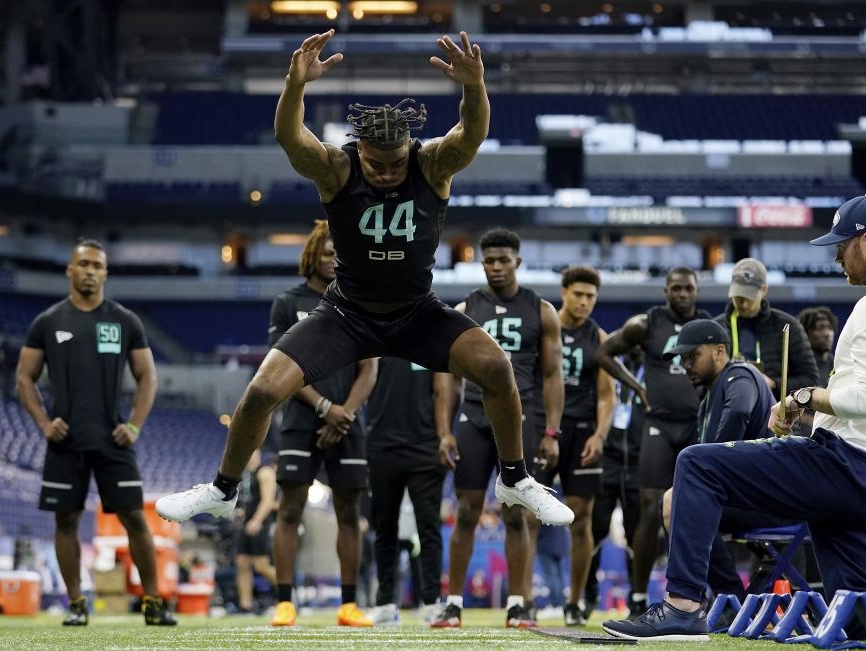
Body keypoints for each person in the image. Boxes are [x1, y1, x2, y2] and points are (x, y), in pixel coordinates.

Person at [156, 31, 572, 563]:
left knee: (496, 367)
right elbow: (290, 137)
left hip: (417, 312)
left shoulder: (431, 164)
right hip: (346, 314)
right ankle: (222, 490)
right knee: (262, 390)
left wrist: (475, 86)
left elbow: (472, 134)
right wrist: (294, 85)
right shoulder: (337, 168)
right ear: (360, 149)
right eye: (376, 163)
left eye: (394, 163)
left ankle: (515, 479)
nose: (385, 172)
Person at [603, 194, 866, 642]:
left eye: (842, 244)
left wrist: (802, 396)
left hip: (846, 467)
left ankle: (681, 607)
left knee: (697, 465)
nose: (836, 254)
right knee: (862, 615)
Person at [15, 240, 175, 627]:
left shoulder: (124, 321)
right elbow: (24, 378)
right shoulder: (49, 322)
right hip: (64, 441)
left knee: (135, 518)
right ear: (69, 270)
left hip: (112, 440)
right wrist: (43, 424)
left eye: (96, 266)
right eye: (82, 264)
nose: (89, 271)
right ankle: (75, 603)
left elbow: (147, 377)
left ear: (106, 273)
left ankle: (153, 602)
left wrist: (134, 425)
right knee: (65, 522)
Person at [435, 228, 564, 629]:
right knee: (467, 512)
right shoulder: (464, 308)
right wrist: (444, 430)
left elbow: (552, 375)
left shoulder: (541, 310)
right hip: (473, 418)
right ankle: (453, 603)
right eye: (488, 259)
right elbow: (448, 377)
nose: (495, 266)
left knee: (517, 515)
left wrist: (551, 432)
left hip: (520, 420)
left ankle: (517, 604)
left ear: (517, 262)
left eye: (502, 259)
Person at [259, 222, 379, 628]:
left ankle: (348, 604)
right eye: (329, 253)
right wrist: (325, 407)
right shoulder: (286, 302)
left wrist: (342, 413)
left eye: (341, 255)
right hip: (299, 421)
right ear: (312, 254)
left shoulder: (358, 302)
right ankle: (284, 602)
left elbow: (369, 369)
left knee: (350, 513)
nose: (334, 261)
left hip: (346, 424)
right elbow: (281, 371)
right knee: (289, 510)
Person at [593, 267, 707, 618]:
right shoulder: (646, 324)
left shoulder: (706, 327)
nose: (682, 294)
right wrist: (637, 387)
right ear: (665, 290)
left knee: (700, 509)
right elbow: (603, 354)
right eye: (676, 288)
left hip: (695, 425)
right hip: (657, 424)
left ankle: (699, 595)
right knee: (649, 507)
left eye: (688, 288)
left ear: (697, 291)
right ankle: (639, 596)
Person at [658, 319, 794, 602]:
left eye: (693, 355)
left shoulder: (738, 375)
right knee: (675, 499)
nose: (686, 364)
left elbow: (738, 411)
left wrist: (707, 467)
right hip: (751, 496)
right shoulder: (711, 394)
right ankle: (727, 598)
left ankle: (726, 597)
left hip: (769, 499)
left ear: (720, 351)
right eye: (682, 358)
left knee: (676, 501)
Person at [544, 266, 615, 626]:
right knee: (523, 516)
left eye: (591, 297)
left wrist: (599, 435)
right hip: (544, 429)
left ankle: (574, 601)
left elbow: (606, 396)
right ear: (564, 292)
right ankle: (521, 600)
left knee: (581, 517)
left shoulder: (598, 338)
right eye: (579, 294)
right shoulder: (544, 326)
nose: (585, 302)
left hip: (582, 431)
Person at [365, 355, 457, 626]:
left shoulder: (427, 341)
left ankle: (430, 603)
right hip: (382, 445)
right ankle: (384, 603)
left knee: (428, 528)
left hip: (425, 447)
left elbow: (442, 388)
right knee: (384, 529)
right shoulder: (374, 338)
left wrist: (443, 435)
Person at [584, 346, 645, 616]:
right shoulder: (606, 367)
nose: (636, 347)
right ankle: (586, 596)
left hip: (637, 461)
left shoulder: (652, 371)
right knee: (593, 530)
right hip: (605, 460)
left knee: (636, 534)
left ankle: (637, 598)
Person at [713, 257, 819, 396]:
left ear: (764, 289)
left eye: (749, 297)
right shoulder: (715, 329)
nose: (743, 304)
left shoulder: (788, 327)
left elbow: (811, 380)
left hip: (772, 412)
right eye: (738, 296)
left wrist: (773, 383)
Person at [234, 449, 277, 615]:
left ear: (257, 453)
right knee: (242, 563)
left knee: (261, 566)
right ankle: (245, 605)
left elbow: (268, 501)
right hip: (246, 523)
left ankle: (287, 595)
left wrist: (257, 521)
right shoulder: (246, 474)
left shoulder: (264, 471)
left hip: (260, 524)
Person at [798, 305, 839, 381]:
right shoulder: (797, 366)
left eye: (830, 328)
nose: (827, 334)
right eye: (820, 328)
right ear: (806, 333)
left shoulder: (838, 365)